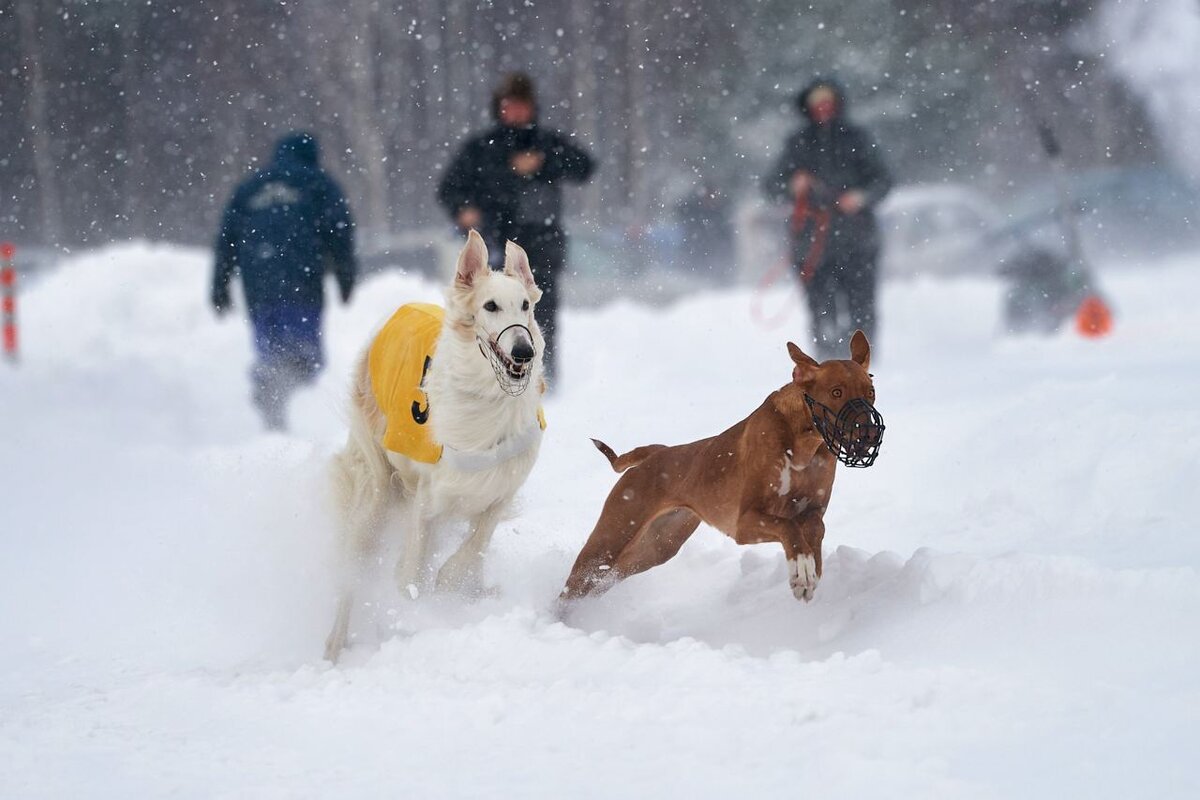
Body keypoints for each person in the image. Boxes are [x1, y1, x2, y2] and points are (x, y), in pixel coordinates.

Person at [437, 72, 594, 383]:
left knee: (541, 316)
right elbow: (449, 188)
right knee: (495, 314)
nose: (516, 112)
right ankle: (493, 375)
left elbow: (585, 167)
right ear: (499, 107)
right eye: (510, 105)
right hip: (497, 245)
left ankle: (543, 378)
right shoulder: (481, 148)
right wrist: (463, 210)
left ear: (532, 108)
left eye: (522, 106)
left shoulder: (547, 143)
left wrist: (544, 162)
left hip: (543, 246)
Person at [212, 131, 357, 431]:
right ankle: (282, 395)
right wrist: (346, 277)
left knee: (271, 345)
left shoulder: (251, 187)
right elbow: (340, 232)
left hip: (258, 285)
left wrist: (220, 284)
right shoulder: (319, 183)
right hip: (302, 281)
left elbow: (227, 238)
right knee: (305, 352)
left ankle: (272, 394)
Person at [763, 78, 892, 359]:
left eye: (827, 102)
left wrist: (860, 197)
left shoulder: (857, 138)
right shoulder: (797, 143)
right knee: (821, 310)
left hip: (857, 241)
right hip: (812, 246)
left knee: (861, 306)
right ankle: (827, 363)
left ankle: (862, 364)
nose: (822, 108)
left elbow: (883, 180)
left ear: (837, 103)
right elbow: (771, 186)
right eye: (816, 103)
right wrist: (792, 187)